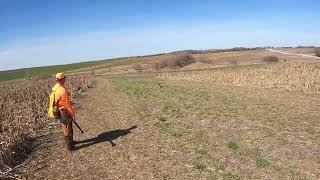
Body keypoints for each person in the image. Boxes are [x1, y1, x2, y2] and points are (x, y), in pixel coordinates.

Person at [52, 72, 75, 151]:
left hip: (59, 111)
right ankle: (69, 147)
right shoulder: (62, 90)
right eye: (64, 78)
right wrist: (72, 114)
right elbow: (67, 104)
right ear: (62, 79)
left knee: (65, 127)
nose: (65, 79)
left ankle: (70, 143)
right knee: (67, 128)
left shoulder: (55, 88)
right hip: (64, 112)